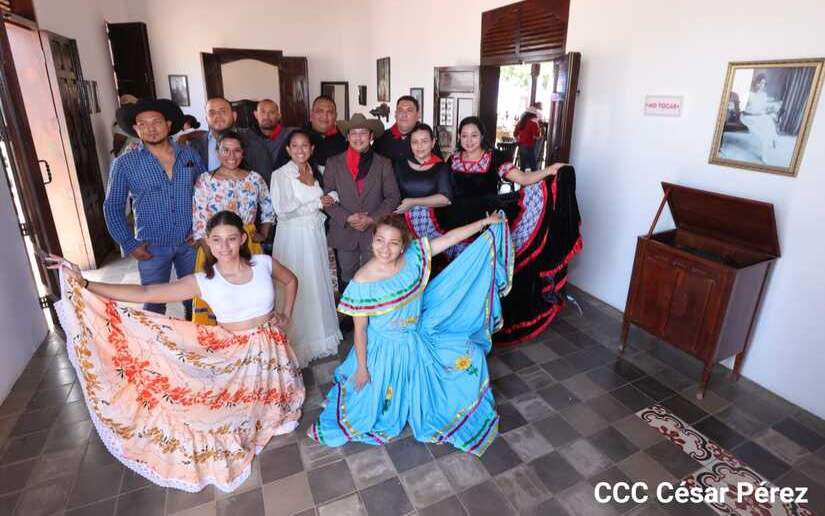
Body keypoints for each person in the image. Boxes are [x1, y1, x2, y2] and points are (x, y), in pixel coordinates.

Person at [47, 210, 305, 493]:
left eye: (231, 239)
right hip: (235, 357)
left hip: (273, 350)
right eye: (217, 240)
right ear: (207, 242)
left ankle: (271, 409)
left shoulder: (263, 264)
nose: (225, 247)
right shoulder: (204, 280)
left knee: (276, 403)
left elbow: (291, 281)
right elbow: (147, 294)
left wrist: (287, 315)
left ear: (243, 238)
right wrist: (85, 283)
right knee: (210, 417)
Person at [309, 211, 511, 455]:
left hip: (417, 338)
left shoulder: (415, 255)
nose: (385, 249)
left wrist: (484, 222)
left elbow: (449, 239)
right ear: (372, 240)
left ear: (403, 245)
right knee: (372, 409)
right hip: (384, 352)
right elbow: (360, 332)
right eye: (379, 240)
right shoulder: (362, 281)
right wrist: (363, 368)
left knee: (471, 354)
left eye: (393, 243)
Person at [404, 116, 581, 346]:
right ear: (459, 137)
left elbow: (525, 179)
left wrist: (549, 170)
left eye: (474, 135)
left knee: (484, 275)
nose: (469, 140)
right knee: (458, 274)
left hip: (486, 223)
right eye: (464, 136)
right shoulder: (452, 159)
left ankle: (485, 325)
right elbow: (444, 192)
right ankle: (460, 324)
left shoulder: (495, 158)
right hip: (457, 223)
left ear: (482, 137)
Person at [103, 98, 206, 318]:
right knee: (153, 304)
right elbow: (112, 207)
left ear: (168, 125)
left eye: (156, 122)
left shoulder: (189, 155)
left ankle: (195, 345)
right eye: (143, 123)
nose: (151, 128)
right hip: (151, 247)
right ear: (135, 129)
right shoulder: (125, 163)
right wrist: (129, 244)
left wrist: (202, 231)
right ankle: (157, 349)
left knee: (196, 300)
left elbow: (205, 194)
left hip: (190, 242)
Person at [270, 129, 342, 366]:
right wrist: (316, 203)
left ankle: (318, 336)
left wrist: (331, 196)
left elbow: (332, 192)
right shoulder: (280, 175)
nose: (300, 150)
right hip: (293, 235)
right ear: (288, 149)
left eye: (305, 146)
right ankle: (295, 340)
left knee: (316, 281)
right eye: (295, 146)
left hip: (314, 234)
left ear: (312, 149)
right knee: (296, 279)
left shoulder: (318, 170)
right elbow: (282, 210)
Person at [191, 131, 276, 324]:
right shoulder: (205, 180)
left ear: (243, 153)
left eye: (237, 150)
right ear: (217, 151)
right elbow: (199, 218)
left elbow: (268, 206)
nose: (231, 155)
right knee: (218, 293)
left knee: (250, 292)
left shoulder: (255, 179)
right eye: (226, 150)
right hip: (215, 244)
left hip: (247, 243)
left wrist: (263, 232)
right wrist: (209, 251)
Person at [322, 113, 400, 290]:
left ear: (371, 136)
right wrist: (348, 218)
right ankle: (350, 317)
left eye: (363, 133)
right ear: (347, 136)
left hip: (374, 233)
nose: (358, 138)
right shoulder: (333, 163)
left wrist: (372, 219)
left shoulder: (383, 163)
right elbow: (327, 198)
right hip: (344, 231)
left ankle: (372, 317)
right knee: (347, 281)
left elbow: (393, 196)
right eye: (354, 133)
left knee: (374, 280)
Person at [184, 97, 275, 182]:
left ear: (234, 116)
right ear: (206, 119)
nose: (217, 116)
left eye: (223, 111)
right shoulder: (195, 146)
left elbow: (266, 179)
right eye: (212, 113)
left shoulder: (252, 141)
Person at [274, 95, 347, 171]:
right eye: (320, 111)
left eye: (330, 112)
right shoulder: (296, 138)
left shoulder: (343, 140)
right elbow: (278, 171)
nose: (325, 116)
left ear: (335, 116)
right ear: (311, 115)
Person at [393, 123, 452, 214]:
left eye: (424, 141)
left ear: (433, 143)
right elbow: (391, 194)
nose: (419, 146)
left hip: (433, 222)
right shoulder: (399, 165)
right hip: (402, 221)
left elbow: (445, 199)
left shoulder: (441, 167)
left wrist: (413, 202)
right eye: (415, 142)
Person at [740, 73, 782, 163]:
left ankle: (774, 137)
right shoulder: (748, 94)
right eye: (760, 83)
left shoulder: (764, 95)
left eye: (763, 83)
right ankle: (764, 155)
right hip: (748, 117)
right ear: (755, 83)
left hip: (758, 116)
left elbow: (762, 108)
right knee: (764, 134)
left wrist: (770, 109)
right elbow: (743, 109)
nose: (761, 85)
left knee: (769, 120)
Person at [373, 95, 421, 162]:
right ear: (396, 114)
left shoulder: (426, 139)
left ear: (418, 115)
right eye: (400, 110)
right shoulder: (381, 138)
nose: (404, 114)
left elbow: (438, 169)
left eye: (409, 110)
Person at [252, 99, 295, 165]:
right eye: (263, 112)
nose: (266, 117)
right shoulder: (248, 137)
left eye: (271, 112)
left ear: (279, 116)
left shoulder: (291, 135)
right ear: (256, 115)